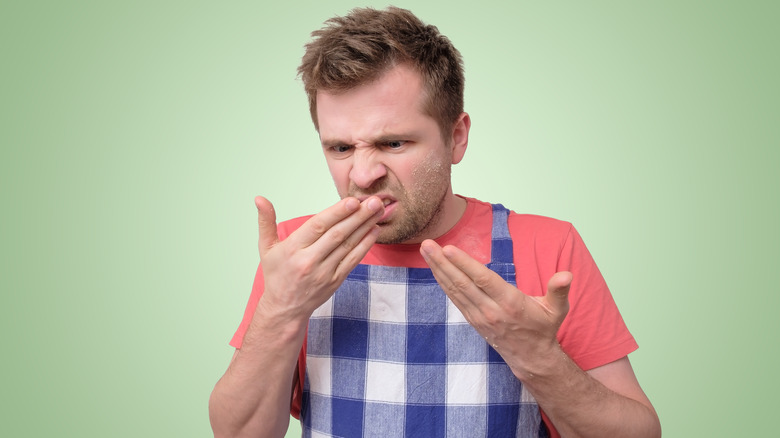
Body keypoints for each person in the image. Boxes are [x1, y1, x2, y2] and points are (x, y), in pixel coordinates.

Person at [209, 6, 661, 438]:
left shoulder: (547, 246)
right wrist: (280, 313)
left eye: (394, 143)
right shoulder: (297, 254)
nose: (363, 175)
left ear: (456, 137)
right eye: (341, 148)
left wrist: (539, 358)